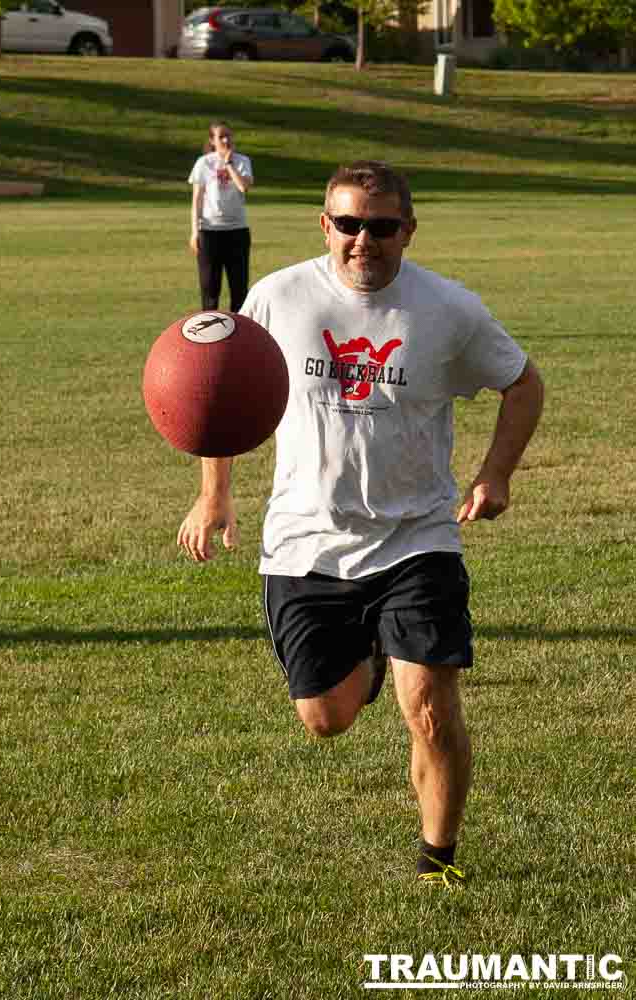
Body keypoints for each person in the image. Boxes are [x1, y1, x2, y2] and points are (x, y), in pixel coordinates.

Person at [177, 161, 544, 888]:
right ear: (326, 225)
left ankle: (436, 859)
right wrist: (212, 492)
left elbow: (522, 382)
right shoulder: (278, 296)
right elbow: (220, 388)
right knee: (325, 717)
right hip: (304, 540)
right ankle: (373, 655)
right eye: (348, 223)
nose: (363, 240)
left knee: (429, 707)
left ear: (407, 230)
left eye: (381, 226)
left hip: (416, 537)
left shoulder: (447, 308)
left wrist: (494, 473)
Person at [188, 122, 254, 313]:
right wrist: (194, 232)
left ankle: (240, 336)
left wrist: (228, 163)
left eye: (228, 136)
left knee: (239, 290)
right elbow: (197, 200)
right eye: (221, 136)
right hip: (209, 232)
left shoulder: (242, 161)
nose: (226, 140)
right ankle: (209, 339)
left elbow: (244, 187)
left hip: (237, 232)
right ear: (212, 140)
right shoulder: (204, 163)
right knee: (210, 290)